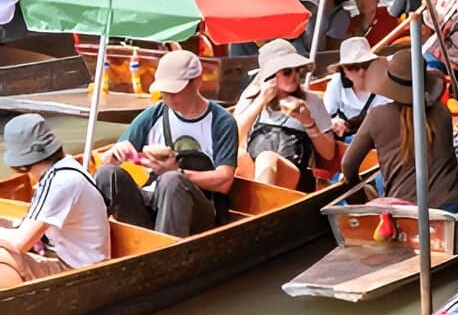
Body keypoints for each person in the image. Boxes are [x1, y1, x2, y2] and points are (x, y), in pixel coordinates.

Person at [95, 51, 238, 237]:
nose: (169, 99)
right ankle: (95, 245)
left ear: (197, 81)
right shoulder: (153, 115)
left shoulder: (221, 121)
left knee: (172, 181)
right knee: (107, 174)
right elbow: (111, 159)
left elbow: (224, 181)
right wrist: (114, 156)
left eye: (175, 92)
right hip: (150, 203)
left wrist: (176, 172)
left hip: (196, 211)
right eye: (164, 93)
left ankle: (166, 250)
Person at [341, 53, 458, 207]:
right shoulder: (442, 111)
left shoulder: (377, 116)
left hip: (407, 210)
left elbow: (348, 165)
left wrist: (359, 193)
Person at [0, 115, 110, 284]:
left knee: (4, 255)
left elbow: (20, 243)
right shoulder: (63, 167)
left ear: (21, 163)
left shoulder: (59, 182)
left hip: (81, 271)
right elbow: (25, 226)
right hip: (69, 258)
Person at [234, 39, 336, 191]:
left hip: (295, 178)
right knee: (235, 155)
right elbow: (232, 138)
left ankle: (262, 207)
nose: (294, 76)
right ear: (270, 76)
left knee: (267, 158)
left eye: (297, 70)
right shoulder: (253, 97)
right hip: (256, 173)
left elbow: (329, 153)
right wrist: (261, 101)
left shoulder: (311, 101)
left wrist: (309, 123)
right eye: (287, 72)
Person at [323, 37, 390, 140]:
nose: (361, 71)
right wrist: (333, 122)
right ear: (343, 71)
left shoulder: (384, 86)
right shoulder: (337, 82)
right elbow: (324, 115)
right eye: (353, 67)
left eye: (366, 65)